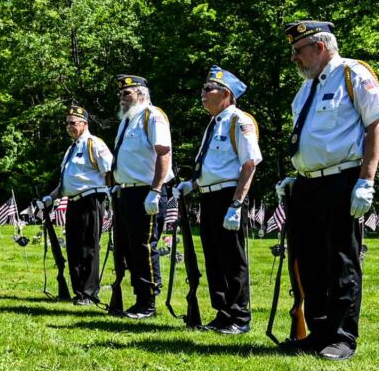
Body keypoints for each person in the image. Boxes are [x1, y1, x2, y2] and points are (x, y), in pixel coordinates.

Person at [276, 21, 379, 360]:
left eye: (299, 51)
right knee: (310, 262)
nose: (294, 57)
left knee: (341, 260)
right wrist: (297, 174)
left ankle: (341, 337)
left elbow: (375, 124)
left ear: (320, 47)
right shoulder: (307, 86)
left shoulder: (353, 74)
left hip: (342, 180)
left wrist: (366, 180)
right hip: (308, 185)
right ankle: (318, 331)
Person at [174, 66, 261, 334]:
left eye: (208, 89)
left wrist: (236, 205)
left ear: (227, 94)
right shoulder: (214, 123)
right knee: (213, 258)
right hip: (209, 196)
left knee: (232, 259)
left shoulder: (239, 121)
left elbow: (249, 163)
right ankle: (222, 313)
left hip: (228, 196)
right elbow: (212, 165)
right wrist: (193, 184)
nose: (203, 94)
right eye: (203, 88)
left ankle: (239, 317)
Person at [110, 75, 173, 319]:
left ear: (141, 94)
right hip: (127, 191)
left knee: (144, 247)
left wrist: (156, 190)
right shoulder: (127, 120)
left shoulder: (152, 115)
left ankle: (148, 301)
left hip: (147, 190)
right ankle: (139, 297)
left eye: (127, 94)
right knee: (128, 247)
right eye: (120, 94)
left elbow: (163, 153)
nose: (122, 98)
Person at [41, 106, 113, 304]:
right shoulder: (71, 148)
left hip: (91, 200)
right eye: (67, 123)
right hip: (72, 202)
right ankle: (78, 292)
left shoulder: (94, 144)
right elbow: (66, 182)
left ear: (85, 123)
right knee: (73, 248)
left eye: (73, 122)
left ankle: (90, 293)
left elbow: (109, 173)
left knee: (88, 248)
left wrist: (111, 197)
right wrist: (51, 197)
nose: (69, 127)